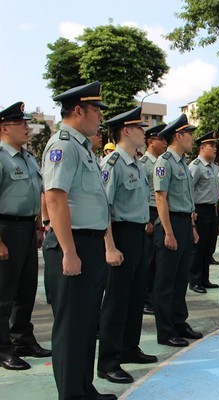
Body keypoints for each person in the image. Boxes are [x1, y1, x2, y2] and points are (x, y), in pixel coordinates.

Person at [42, 82, 116, 400]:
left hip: (90, 244)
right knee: (71, 327)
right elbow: (56, 198)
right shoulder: (63, 145)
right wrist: (69, 251)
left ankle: (84, 389)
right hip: (73, 246)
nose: (100, 118)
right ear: (78, 111)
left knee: (87, 324)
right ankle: (71, 394)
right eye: (96, 111)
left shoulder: (82, 147)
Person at [97, 106, 157, 384]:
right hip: (119, 235)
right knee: (116, 301)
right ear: (126, 131)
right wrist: (110, 246)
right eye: (140, 127)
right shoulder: (112, 164)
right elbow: (104, 208)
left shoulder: (135, 162)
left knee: (134, 296)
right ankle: (108, 361)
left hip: (138, 235)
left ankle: (129, 348)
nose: (144, 132)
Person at [0, 102, 50, 371]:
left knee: (26, 289)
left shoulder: (28, 157)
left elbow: (36, 195)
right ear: (4, 128)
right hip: (5, 228)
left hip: (27, 229)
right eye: (21, 124)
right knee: (3, 294)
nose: (27, 129)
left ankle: (23, 340)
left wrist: (39, 227)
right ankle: (3, 348)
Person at [153, 114, 202, 347]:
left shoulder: (182, 162)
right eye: (189, 134)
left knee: (181, 277)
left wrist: (190, 227)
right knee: (166, 281)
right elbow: (161, 198)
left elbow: (186, 199)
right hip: (169, 223)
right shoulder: (164, 161)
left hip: (183, 222)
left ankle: (179, 321)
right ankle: (166, 331)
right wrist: (168, 232)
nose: (192, 138)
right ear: (178, 136)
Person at [188, 132, 219, 294]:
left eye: (215, 146)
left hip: (212, 210)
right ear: (202, 148)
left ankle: (204, 278)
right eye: (211, 146)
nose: (215, 149)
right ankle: (194, 280)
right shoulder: (195, 166)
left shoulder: (215, 167)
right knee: (198, 247)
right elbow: (188, 189)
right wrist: (192, 211)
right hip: (199, 210)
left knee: (208, 247)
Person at [139, 124, 167, 315]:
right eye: (161, 139)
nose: (165, 143)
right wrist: (146, 220)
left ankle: (155, 296)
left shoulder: (162, 162)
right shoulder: (143, 164)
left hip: (161, 212)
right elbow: (140, 193)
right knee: (149, 260)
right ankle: (145, 299)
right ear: (151, 142)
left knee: (159, 260)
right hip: (149, 211)